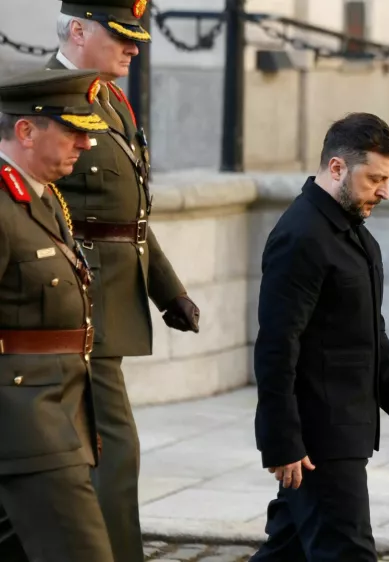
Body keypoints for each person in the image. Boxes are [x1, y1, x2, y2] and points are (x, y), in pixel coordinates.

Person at [43, 2, 201, 561]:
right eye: (121, 35)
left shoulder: (109, 101)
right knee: (114, 447)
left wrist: (168, 290)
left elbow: (128, 217)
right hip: (72, 303)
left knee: (79, 451)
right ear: (79, 30)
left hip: (109, 303)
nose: (134, 47)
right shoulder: (49, 102)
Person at [250, 112, 389, 561]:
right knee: (347, 553)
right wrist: (281, 440)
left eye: (388, 179)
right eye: (374, 178)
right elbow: (276, 345)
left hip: (344, 426)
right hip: (318, 439)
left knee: (288, 553)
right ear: (336, 168)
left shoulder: (353, 234)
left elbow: (368, 328)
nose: (385, 191)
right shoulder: (302, 235)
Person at [0, 68, 115, 562]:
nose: (86, 145)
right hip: (26, 422)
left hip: (58, 411)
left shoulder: (43, 199)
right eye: (72, 131)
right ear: (26, 131)